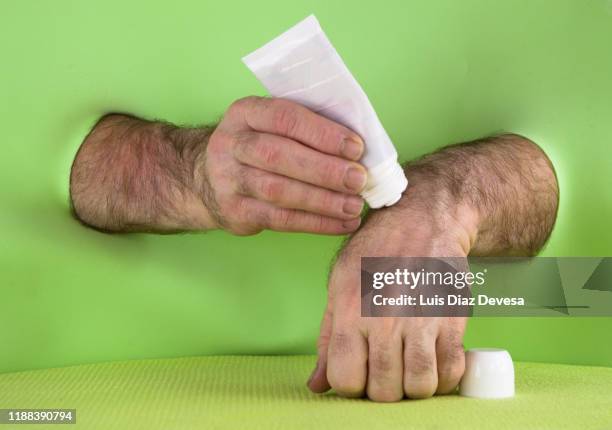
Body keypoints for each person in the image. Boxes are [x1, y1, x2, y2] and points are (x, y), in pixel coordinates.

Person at [69, 96, 559, 402]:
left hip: (549, 350)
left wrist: (446, 201)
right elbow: (41, 152)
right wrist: (196, 171)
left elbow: (580, 157)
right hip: (126, 378)